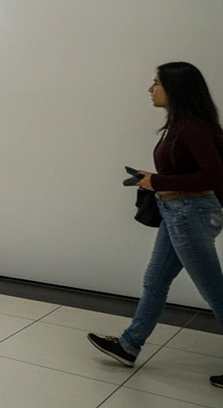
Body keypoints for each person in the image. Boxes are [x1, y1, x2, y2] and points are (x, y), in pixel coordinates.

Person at [88, 62, 223, 387]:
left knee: (215, 292)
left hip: (189, 213)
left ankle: (129, 344)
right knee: (154, 282)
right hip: (178, 212)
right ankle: (129, 345)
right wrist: (155, 180)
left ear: (175, 89)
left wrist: (157, 180)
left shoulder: (192, 126)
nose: (151, 89)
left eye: (156, 83)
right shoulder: (183, 125)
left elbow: (214, 175)